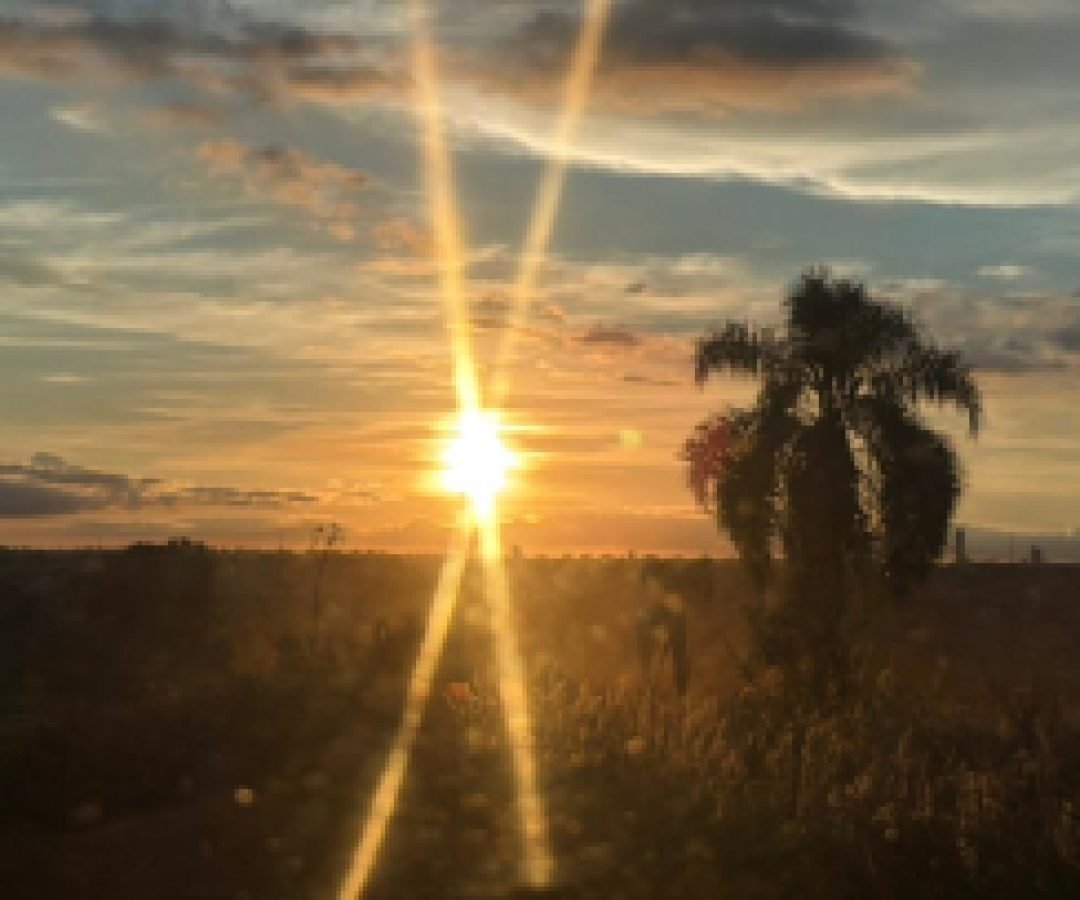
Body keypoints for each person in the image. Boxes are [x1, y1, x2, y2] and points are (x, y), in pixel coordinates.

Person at [636, 562, 689, 696]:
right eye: (648, 586)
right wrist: (651, 633)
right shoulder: (644, 615)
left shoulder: (674, 610)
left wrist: (674, 619)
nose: (652, 590)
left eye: (655, 585)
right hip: (653, 675)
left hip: (672, 674)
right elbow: (641, 647)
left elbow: (680, 647)